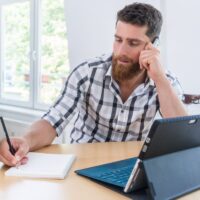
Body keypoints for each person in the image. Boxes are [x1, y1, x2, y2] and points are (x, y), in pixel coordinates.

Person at [0, 3, 187, 166]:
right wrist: (25, 140)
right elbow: (52, 121)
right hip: (81, 163)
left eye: (133, 43)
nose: (121, 51)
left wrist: (160, 80)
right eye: (118, 39)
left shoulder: (164, 82)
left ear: (152, 46)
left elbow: (181, 134)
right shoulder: (86, 73)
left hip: (128, 168)